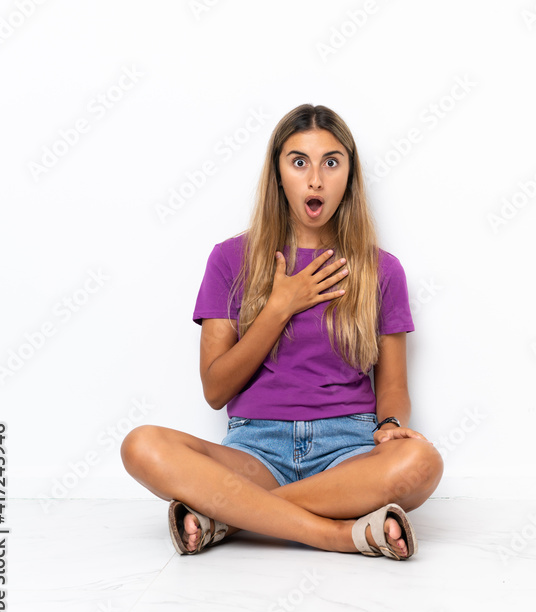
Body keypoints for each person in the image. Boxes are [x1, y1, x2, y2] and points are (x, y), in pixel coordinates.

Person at [121, 104, 443, 560]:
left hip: (347, 452)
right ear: (278, 175)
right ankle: (337, 533)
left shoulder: (381, 270)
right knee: (142, 445)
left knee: (423, 462)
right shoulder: (230, 259)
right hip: (255, 450)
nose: (315, 179)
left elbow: (391, 388)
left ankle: (228, 519)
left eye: (331, 162)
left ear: (349, 176)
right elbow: (215, 389)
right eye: (299, 162)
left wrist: (390, 426)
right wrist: (279, 307)